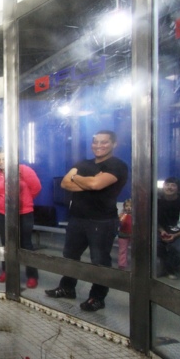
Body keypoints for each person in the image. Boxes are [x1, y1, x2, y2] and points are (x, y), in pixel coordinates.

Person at [45, 130, 128, 312]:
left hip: (102, 222)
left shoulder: (117, 165)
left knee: (99, 261)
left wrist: (77, 178)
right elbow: (65, 183)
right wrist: (88, 182)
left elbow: (95, 184)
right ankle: (67, 288)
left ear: (113, 144)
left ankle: (97, 298)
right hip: (77, 219)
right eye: (95, 142)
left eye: (104, 142)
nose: (99, 145)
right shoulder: (83, 163)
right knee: (70, 256)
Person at [0, 152, 42, 287]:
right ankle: (6, 271)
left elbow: (36, 188)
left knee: (26, 244)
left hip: (23, 213)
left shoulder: (24, 170)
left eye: (4, 158)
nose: (1, 161)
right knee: (6, 244)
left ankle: (32, 276)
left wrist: (24, 202)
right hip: (2, 214)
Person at [117, 199, 133, 270]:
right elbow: (119, 223)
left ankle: (137, 264)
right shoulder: (122, 215)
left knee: (136, 250)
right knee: (122, 250)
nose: (129, 208)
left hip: (133, 235)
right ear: (124, 207)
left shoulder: (136, 216)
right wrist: (120, 219)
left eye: (131, 206)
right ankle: (122, 265)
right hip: (123, 235)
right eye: (127, 206)